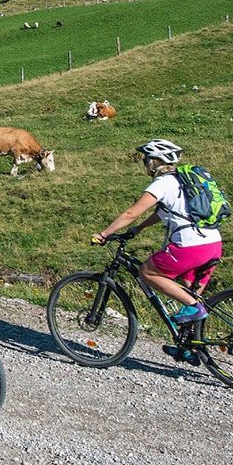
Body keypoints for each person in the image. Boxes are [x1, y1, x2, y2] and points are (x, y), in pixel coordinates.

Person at [92, 139, 220, 361]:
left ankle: (193, 307)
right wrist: (137, 229)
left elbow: (131, 212)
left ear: (154, 161)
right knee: (188, 293)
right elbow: (163, 213)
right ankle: (190, 348)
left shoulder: (162, 183)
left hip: (190, 246)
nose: (144, 163)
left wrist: (104, 233)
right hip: (213, 244)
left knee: (147, 272)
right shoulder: (183, 181)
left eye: (146, 159)